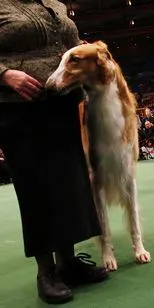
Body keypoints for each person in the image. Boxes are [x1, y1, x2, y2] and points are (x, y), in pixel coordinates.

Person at [0, 0, 108, 304]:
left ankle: (68, 263)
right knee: (35, 189)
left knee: (68, 184)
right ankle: (45, 271)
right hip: (18, 107)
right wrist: (5, 74)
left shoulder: (54, 3)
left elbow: (71, 44)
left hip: (62, 101)